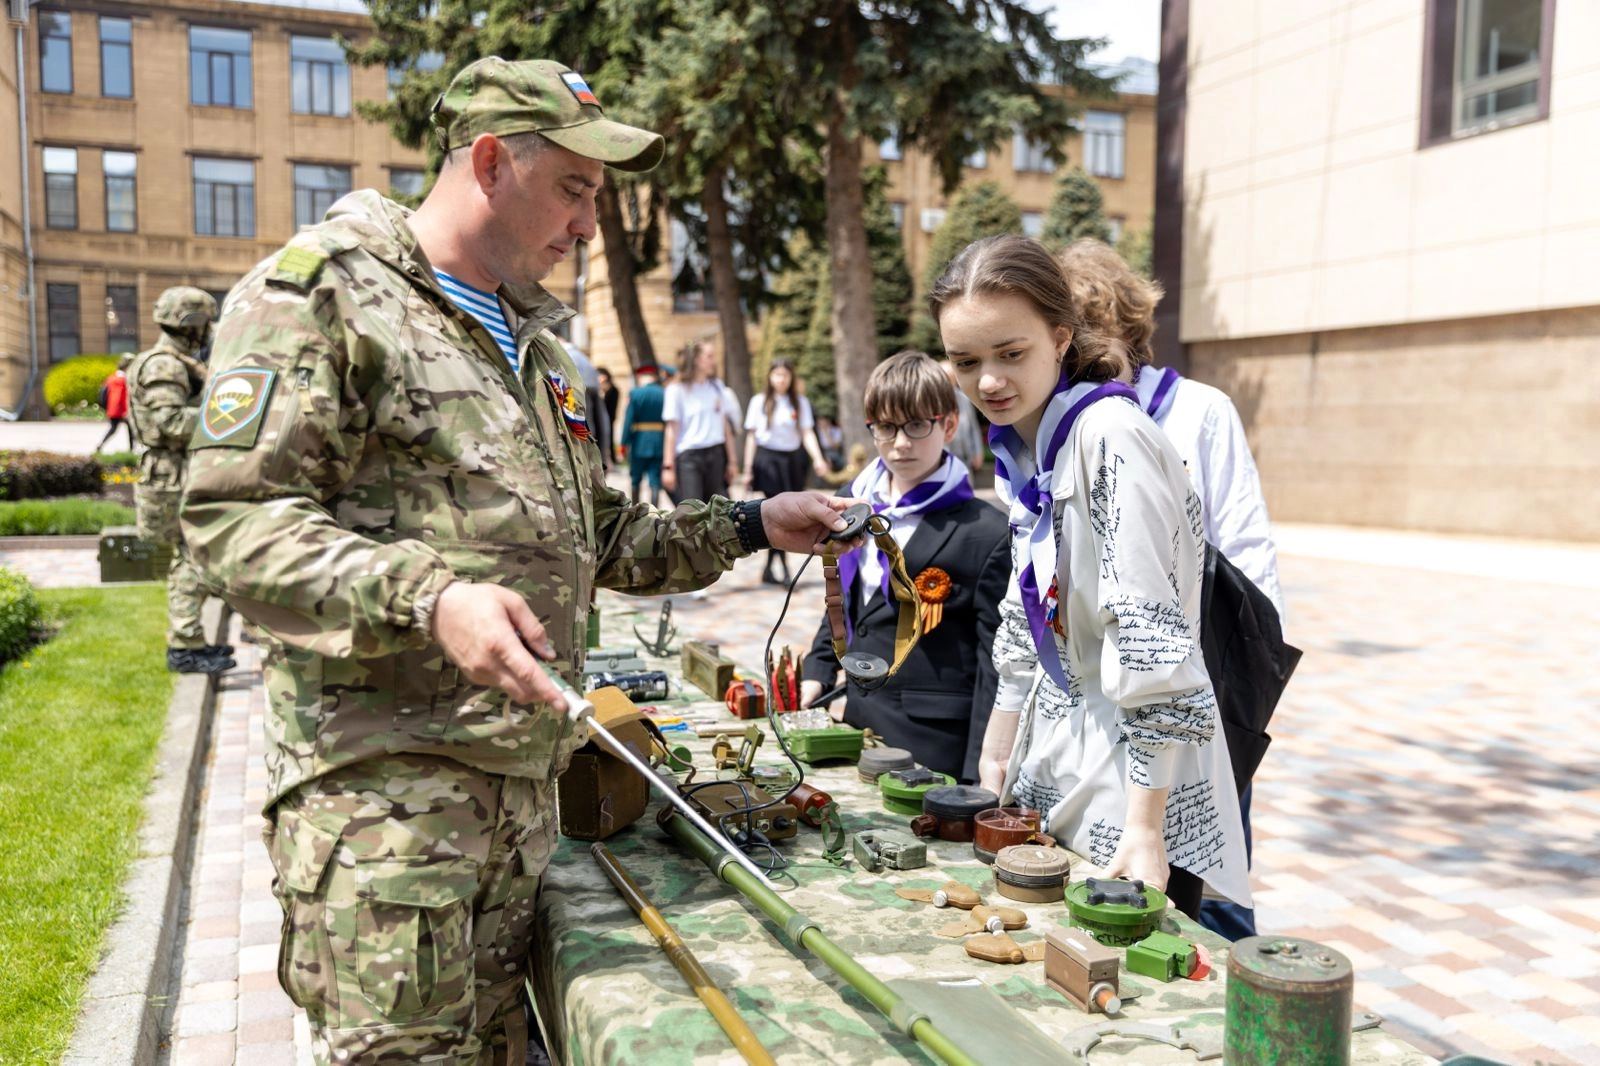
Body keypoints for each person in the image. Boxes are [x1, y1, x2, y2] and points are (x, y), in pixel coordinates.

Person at [180, 56, 862, 1066]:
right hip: (387, 825)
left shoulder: (535, 348)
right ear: (491, 163)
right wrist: (430, 599)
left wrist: (755, 522)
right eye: (574, 190)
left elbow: (601, 538)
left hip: (518, 812)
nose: (588, 227)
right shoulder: (326, 294)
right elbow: (231, 519)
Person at [930, 234, 1250, 921]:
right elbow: (1025, 613)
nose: (988, 381)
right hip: (1062, 761)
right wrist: (998, 750)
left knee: (1116, 969)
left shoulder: (1110, 436)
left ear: (1060, 337)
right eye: (966, 361)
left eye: (1011, 353)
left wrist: (1145, 827)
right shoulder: (1032, 442)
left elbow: (1150, 637)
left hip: (1134, 786)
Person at [1060, 237, 1283, 940]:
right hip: (1106, 701)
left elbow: (1247, 554)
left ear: (1130, 329)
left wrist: (1234, 692)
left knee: (1211, 882)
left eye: (1096, 334)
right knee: (1118, 883)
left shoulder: (1198, 410)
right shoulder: (1063, 423)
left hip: (1195, 683)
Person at [800, 351, 1010, 782]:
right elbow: (848, 600)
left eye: (917, 425)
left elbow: (995, 664)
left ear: (949, 425)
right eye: (886, 427)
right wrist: (818, 669)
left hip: (933, 743)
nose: (900, 443)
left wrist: (977, 774)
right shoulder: (853, 502)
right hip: (858, 721)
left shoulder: (985, 532)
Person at [126, 287, 234, 675]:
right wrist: (231, 417)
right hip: (174, 474)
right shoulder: (165, 366)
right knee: (191, 558)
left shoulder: (176, 362)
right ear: (191, 325)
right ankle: (186, 645)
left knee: (189, 556)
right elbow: (169, 423)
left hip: (177, 471)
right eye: (205, 324)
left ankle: (189, 640)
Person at [742, 358, 830, 585]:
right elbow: (752, 437)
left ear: (791, 378)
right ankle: (784, 568)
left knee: (787, 514)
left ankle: (769, 568)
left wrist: (818, 458)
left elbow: (807, 433)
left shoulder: (799, 402)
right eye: (777, 375)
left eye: (785, 375)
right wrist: (747, 468)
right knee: (777, 512)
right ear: (770, 376)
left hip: (791, 462)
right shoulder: (759, 401)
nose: (781, 380)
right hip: (768, 460)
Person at [661, 339, 739, 504]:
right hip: (690, 457)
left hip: (715, 454)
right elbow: (671, 430)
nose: (714, 361)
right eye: (709, 356)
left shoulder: (717, 386)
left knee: (720, 508)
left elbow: (725, 426)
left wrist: (732, 461)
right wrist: (668, 467)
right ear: (696, 359)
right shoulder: (676, 390)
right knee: (693, 509)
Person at [620, 364, 668, 506]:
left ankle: (636, 511)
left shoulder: (636, 393)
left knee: (636, 479)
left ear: (641, 377)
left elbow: (628, 420)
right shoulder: (664, 393)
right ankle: (655, 512)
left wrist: (623, 443)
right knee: (655, 480)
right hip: (659, 441)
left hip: (639, 441)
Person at [940, 360, 986, 472]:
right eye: (945, 377)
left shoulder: (964, 399)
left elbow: (973, 426)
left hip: (965, 459)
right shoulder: (930, 400)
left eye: (951, 377)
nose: (949, 381)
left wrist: (978, 452)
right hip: (941, 459)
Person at [96, 354, 133, 452]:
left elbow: (103, 394)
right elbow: (124, 396)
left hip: (113, 409)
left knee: (113, 428)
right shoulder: (125, 380)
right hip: (123, 409)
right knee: (131, 430)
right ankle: (131, 449)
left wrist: (105, 407)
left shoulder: (111, 378)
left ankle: (101, 444)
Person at [597, 366, 620, 464]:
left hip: (609, 417)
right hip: (600, 418)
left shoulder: (613, 390)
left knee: (609, 437)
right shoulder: (598, 389)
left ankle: (611, 458)